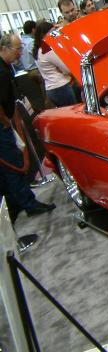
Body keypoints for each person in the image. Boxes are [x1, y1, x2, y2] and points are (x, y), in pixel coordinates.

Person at [0, 33, 56, 223]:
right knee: (14, 165)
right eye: (17, 49)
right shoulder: (1, 72)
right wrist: (6, 122)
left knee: (12, 166)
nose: (20, 53)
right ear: (4, 49)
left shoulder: (6, 68)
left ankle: (18, 203)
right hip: (3, 127)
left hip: (6, 122)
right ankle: (27, 204)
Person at [33, 21, 79, 107]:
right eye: (51, 33)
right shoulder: (46, 49)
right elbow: (67, 69)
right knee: (73, 110)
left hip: (51, 88)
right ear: (43, 35)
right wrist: (63, 70)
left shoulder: (37, 51)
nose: (53, 35)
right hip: (61, 87)